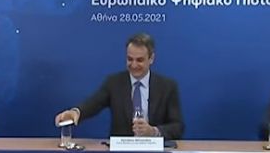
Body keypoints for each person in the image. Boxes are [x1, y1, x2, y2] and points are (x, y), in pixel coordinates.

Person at [55, 33, 184, 139]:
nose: (134, 65)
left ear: (151, 59)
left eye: (139, 60)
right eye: (130, 59)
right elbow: (94, 104)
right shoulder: (114, 83)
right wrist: (75, 112)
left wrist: (153, 131)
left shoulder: (167, 87)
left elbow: (177, 127)